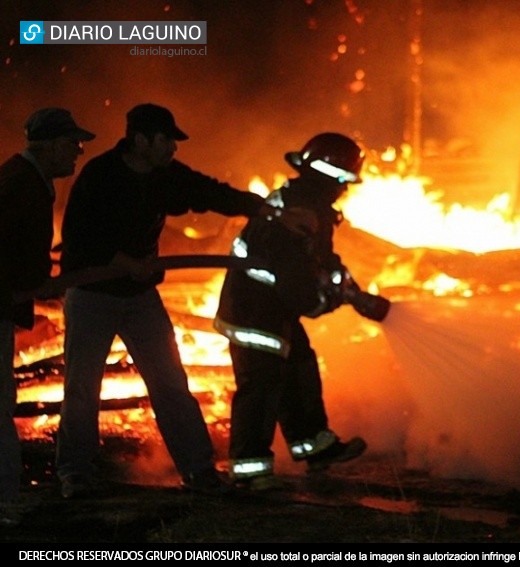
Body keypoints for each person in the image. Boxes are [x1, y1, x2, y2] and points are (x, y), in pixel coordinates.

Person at [55, 103, 316, 499]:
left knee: (172, 385)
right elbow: (79, 239)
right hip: (92, 297)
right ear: (140, 139)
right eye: (166, 140)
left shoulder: (165, 177)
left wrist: (267, 210)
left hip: (140, 297)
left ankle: (199, 472)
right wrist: (122, 262)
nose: (173, 149)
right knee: (81, 389)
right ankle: (75, 473)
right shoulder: (100, 177)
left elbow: (211, 192)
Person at [214, 132, 381, 490]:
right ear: (331, 177)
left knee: (299, 368)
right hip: (255, 312)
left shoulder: (308, 203)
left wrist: (351, 290)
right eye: (343, 181)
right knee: (261, 387)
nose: (345, 190)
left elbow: (321, 260)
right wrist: (326, 302)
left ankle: (315, 447)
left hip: (273, 308)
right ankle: (249, 471)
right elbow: (298, 288)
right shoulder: (299, 212)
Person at [1, 108, 95, 525]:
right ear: (51, 145)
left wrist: (44, 272)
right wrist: (39, 279)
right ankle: (5, 501)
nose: (78, 152)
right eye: (73, 144)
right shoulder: (22, 183)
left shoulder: (26, 179)